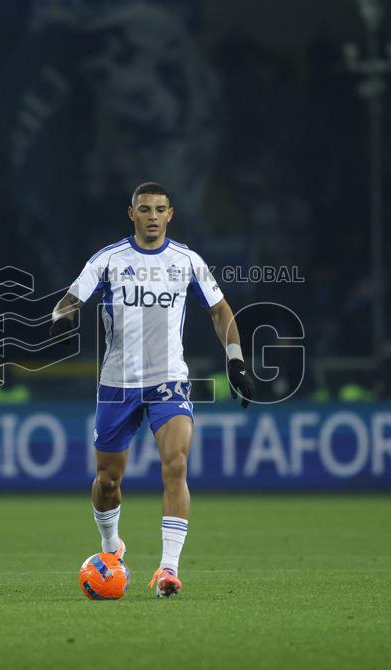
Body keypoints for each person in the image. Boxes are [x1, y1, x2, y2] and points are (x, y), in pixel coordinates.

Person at [49, 182, 255, 598]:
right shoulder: (109, 260)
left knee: (175, 464)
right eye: (145, 209)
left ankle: (168, 570)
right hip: (116, 385)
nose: (153, 216)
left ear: (171, 214)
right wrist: (61, 322)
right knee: (107, 481)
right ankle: (111, 549)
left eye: (160, 209)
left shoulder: (187, 262)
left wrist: (235, 358)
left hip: (169, 381)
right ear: (132, 214)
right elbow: (69, 300)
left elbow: (220, 309)